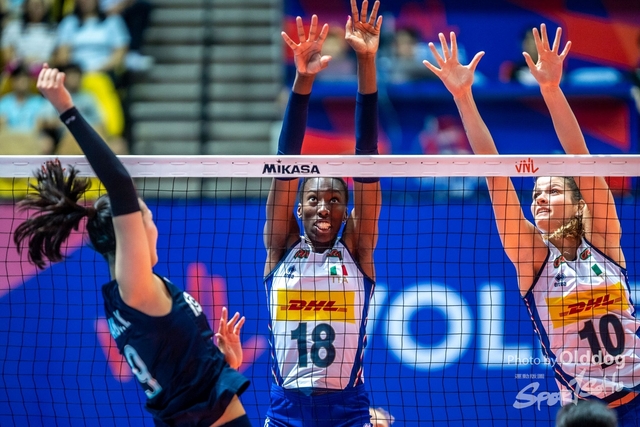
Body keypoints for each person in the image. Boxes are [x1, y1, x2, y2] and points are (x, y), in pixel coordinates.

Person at [423, 25, 640, 426]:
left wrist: (551, 90)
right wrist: (463, 96)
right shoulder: (532, 257)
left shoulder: (603, 238)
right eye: (536, 193)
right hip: (585, 411)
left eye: (552, 191)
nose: (539, 198)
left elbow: (580, 156)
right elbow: (495, 175)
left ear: (579, 205)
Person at [13, 64, 252, 427]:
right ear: (131, 232)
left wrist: (222, 365)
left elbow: (175, 369)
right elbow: (120, 184)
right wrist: (66, 108)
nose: (153, 225)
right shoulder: (134, 286)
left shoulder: (130, 294)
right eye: (147, 217)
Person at [263, 0, 382, 426]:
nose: (323, 207)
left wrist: (366, 61)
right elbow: (286, 163)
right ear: (299, 208)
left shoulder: (357, 249)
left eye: (334, 200)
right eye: (314, 199)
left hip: (347, 410)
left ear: (347, 212)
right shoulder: (281, 247)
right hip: (286, 411)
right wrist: (303, 79)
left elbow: (367, 159)